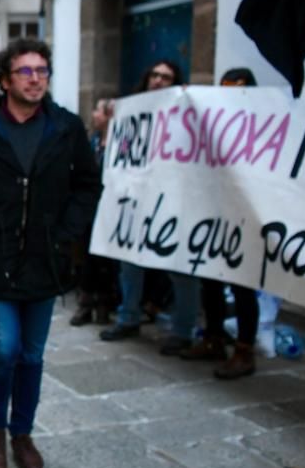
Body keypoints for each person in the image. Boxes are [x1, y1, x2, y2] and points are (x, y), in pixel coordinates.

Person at [0, 38, 101, 468]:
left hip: (45, 258)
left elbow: (88, 185)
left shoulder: (65, 127)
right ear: (6, 79)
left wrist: (66, 233)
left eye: (42, 71)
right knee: (3, 349)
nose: (36, 78)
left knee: (31, 354)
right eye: (26, 71)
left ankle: (22, 433)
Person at [99, 60, 201, 355]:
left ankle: (183, 330)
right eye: (154, 74)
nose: (158, 80)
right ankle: (128, 317)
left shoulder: (184, 113)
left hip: (173, 201)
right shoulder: (133, 111)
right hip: (137, 199)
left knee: (181, 268)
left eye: (166, 77)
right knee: (129, 263)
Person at [180, 67, 261, 379]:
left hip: (246, 218)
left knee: (242, 286)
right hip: (214, 214)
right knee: (210, 280)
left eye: (239, 89)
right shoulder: (214, 124)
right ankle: (213, 338)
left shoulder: (263, 126)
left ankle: (244, 349)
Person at [70, 97, 118, 326]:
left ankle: (102, 304)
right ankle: (87, 302)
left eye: (99, 110)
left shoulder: (119, 143)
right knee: (88, 257)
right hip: (91, 209)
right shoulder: (92, 141)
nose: (95, 115)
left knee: (104, 260)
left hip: (112, 209)